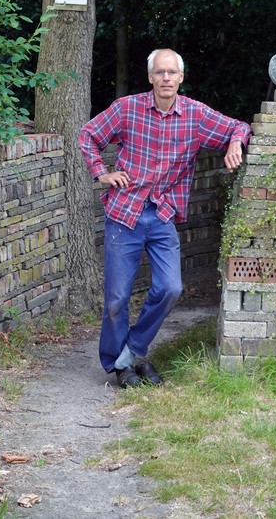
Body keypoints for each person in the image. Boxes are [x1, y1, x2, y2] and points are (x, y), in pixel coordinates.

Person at [79, 48, 252, 388]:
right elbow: (89, 135)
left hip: (161, 215)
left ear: (181, 78)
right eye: (160, 72)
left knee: (170, 287)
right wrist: (102, 173)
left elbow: (239, 126)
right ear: (150, 78)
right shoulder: (127, 109)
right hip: (124, 214)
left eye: (172, 72)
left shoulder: (195, 116)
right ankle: (120, 366)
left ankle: (130, 353)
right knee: (116, 298)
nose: (166, 78)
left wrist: (235, 143)